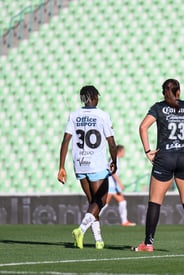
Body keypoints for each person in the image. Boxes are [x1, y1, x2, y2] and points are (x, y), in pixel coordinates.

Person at [132, 79, 184, 253]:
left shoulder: (158, 108)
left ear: (163, 92)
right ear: (179, 92)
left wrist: (147, 150)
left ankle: (148, 243)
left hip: (165, 157)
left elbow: (143, 127)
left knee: (155, 202)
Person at [57, 85, 117, 250]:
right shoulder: (102, 115)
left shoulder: (74, 115)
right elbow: (111, 143)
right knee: (100, 201)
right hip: (96, 164)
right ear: (95, 97)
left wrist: (61, 167)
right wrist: (114, 161)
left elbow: (65, 141)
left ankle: (98, 240)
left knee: (93, 203)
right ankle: (81, 229)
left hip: (80, 164)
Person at [104, 144, 136, 226]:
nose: (124, 153)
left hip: (113, 185)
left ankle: (124, 221)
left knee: (122, 202)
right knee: (104, 204)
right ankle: (92, 218)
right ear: (120, 151)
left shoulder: (116, 159)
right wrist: (120, 183)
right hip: (110, 185)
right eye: (124, 151)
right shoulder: (115, 159)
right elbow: (113, 172)